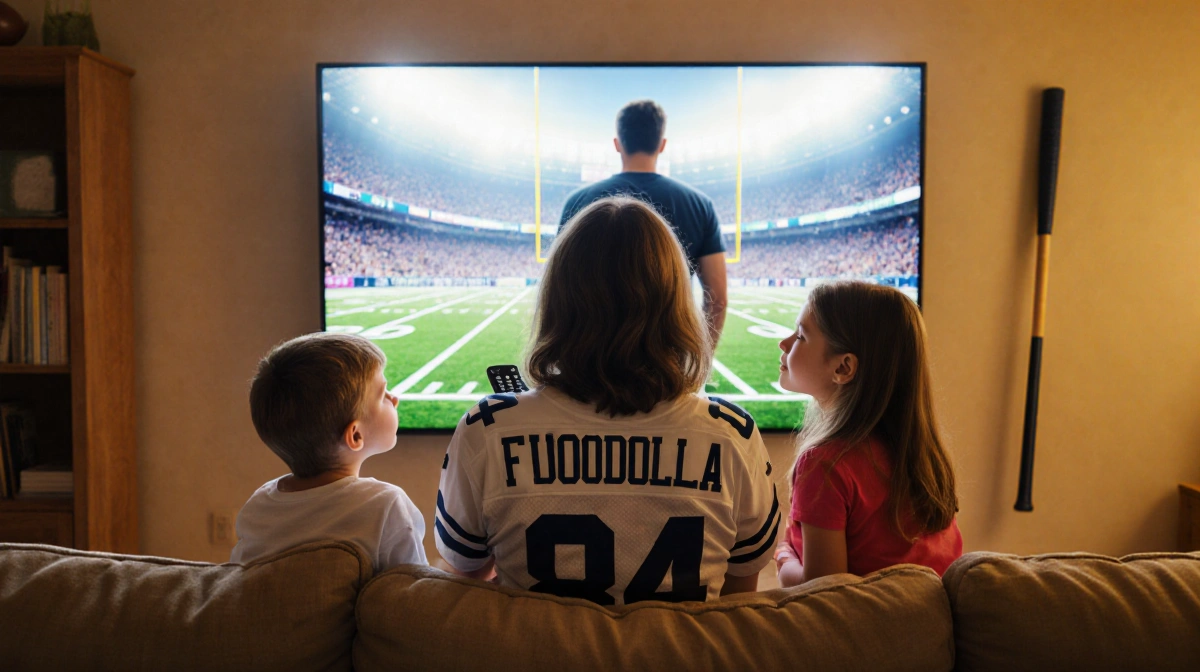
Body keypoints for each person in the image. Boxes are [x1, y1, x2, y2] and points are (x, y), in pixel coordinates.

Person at [436, 196, 778, 605]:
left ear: (558, 300)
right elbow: (739, 603)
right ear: (675, 304)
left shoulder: (485, 431)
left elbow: (465, 584)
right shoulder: (733, 436)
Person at [773, 281, 962, 587]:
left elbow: (824, 592)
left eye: (801, 335)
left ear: (844, 367)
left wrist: (783, 556)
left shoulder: (824, 464)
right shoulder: (926, 455)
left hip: (869, 631)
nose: (785, 342)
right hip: (931, 626)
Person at [230, 332, 428, 572]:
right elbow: (415, 593)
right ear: (355, 436)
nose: (394, 398)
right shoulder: (385, 505)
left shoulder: (258, 505)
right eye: (382, 394)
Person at [558, 100, 728, 346]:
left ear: (617, 145)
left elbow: (559, 293)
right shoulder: (699, 204)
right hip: (669, 359)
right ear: (662, 145)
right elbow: (718, 300)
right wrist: (699, 361)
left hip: (589, 355)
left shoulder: (577, 201)